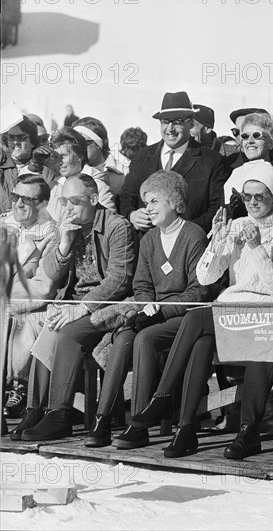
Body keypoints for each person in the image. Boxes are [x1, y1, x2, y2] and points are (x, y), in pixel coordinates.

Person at [113, 162, 273, 457]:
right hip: (232, 310)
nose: (252, 203)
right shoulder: (237, 225)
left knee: (196, 317)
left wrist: (256, 247)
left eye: (260, 196)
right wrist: (217, 240)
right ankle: (186, 429)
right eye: (247, 196)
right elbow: (206, 277)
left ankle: (166, 398)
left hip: (267, 312)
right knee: (201, 342)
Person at [83, 171, 209, 447]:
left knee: (144, 338)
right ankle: (103, 419)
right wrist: (146, 303)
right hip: (151, 311)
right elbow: (141, 285)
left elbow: (198, 291)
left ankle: (139, 422)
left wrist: (161, 309)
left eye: (154, 201)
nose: (147, 208)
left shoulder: (193, 235)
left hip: (183, 316)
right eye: (145, 202)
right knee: (124, 337)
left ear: (175, 203)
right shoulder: (149, 239)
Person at [10, 174, 136, 441]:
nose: (67, 207)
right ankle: (35, 409)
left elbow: (120, 279)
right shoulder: (68, 225)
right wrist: (65, 244)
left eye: (74, 201)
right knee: (49, 328)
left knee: (67, 332)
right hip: (72, 303)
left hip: (108, 305)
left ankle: (60, 414)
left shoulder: (117, 226)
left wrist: (83, 307)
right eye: (64, 201)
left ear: (93, 199)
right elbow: (53, 273)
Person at [120, 91, 227, 234]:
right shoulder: (142, 157)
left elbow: (216, 208)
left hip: (190, 249)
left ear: (190, 123)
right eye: (165, 122)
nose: (170, 129)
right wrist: (131, 215)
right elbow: (125, 197)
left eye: (177, 122)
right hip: (146, 247)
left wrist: (185, 234)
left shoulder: (211, 160)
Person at [1, 175, 58, 420]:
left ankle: (18, 385)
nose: (19, 204)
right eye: (15, 197)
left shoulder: (51, 233)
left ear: (43, 204)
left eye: (28, 199)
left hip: (32, 307)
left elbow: (44, 287)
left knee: (18, 322)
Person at [223, 112, 273, 226]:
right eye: (245, 136)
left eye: (256, 136)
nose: (250, 141)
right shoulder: (234, 174)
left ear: (270, 142)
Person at [46, 127, 116, 221]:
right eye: (56, 157)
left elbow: (109, 224)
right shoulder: (53, 187)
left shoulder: (99, 187)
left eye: (64, 156)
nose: (59, 162)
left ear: (80, 156)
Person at [1, 116, 56, 212]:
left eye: (21, 137)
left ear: (33, 142)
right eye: (11, 137)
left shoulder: (44, 170)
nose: (15, 142)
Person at [73, 117, 127, 197]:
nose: (78, 148)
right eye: (74, 144)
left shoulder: (124, 173)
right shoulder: (69, 171)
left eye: (83, 143)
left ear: (100, 143)